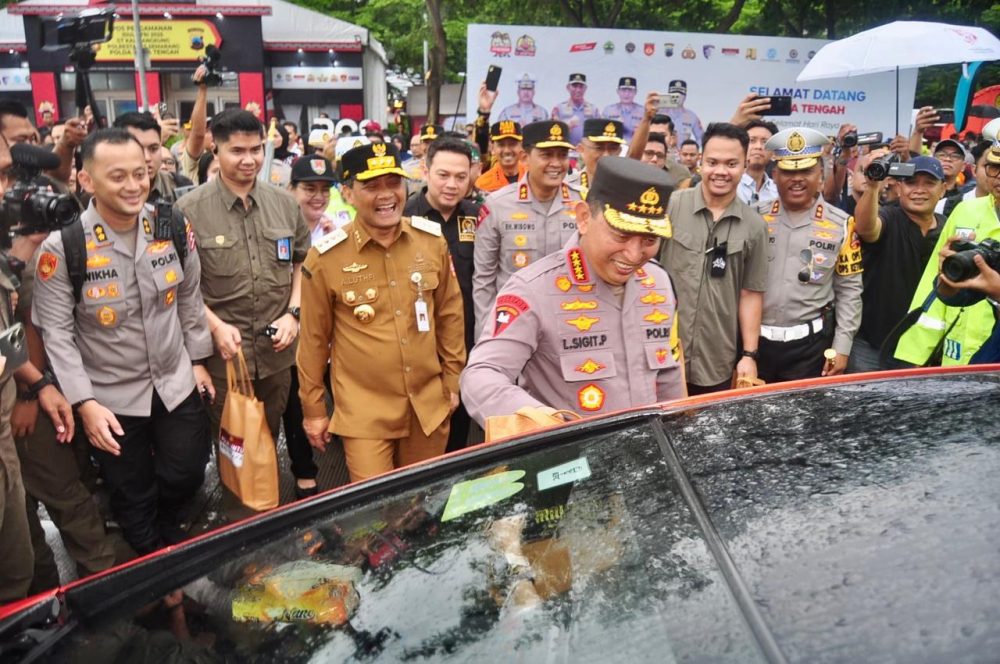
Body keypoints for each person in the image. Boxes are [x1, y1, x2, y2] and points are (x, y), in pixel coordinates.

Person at [32, 128, 215, 556]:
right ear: (87, 181)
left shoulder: (170, 225)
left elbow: (189, 296)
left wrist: (199, 360)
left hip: (174, 381)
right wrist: (85, 402)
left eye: (140, 173)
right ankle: (154, 568)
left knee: (187, 471)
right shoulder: (64, 248)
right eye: (118, 176)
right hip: (109, 397)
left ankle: (167, 532)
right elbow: (56, 333)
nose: (134, 186)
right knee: (131, 491)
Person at [462, 156, 684, 422]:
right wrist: (542, 422)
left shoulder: (658, 283)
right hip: (572, 458)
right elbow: (481, 375)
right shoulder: (533, 290)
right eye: (621, 235)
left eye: (650, 239)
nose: (635, 254)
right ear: (583, 218)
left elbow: (670, 378)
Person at [296, 142, 466, 483]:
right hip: (365, 413)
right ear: (347, 192)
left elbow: (450, 315)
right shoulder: (326, 258)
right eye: (371, 186)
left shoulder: (430, 242)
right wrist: (314, 410)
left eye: (393, 182)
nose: (386, 194)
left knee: (422, 502)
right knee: (373, 516)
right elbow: (313, 341)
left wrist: (452, 380)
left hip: (428, 406)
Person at [175, 110, 310, 479]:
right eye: (237, 150)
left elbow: (301, 263)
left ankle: (266, 511)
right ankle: (242, 523)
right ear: (214, 151)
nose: (249, 160)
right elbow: (177, 287)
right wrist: (215, 326)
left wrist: (293, 314)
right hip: (224, 361)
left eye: (256, 149)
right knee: (235, 451)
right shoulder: (187, 210)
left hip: (276, 356)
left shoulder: (284, 203)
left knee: (268, 440)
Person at [658, 122, 768, 394]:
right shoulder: (671, 206)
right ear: (700, 163)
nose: (720, 172)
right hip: (661, 352)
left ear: (744, 166)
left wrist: (749, 355)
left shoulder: (754, 225)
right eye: (712, 162)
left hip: (717, 357)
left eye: (731, 164)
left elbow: (751, 292)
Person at [754, 128, 863, 382]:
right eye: (789, 172)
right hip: (754, 343)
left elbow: (849, 290)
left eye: (805, 171)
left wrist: (842, 347)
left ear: (821, 176)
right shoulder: (754, 217)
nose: (797, 179)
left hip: (810, 349)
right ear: (775, 175)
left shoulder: (842, 225)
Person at [893, 139, 1000, 367]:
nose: (999, 176)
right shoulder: (966, 210)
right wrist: (912, 356)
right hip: (955, 362)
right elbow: (933, 284)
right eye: (995, 167)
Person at [403, 137, 480, 451]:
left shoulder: (479, 216)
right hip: (418, 343)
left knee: (458, 429)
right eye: (443, 175)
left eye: (461, 177)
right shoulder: (403, 215)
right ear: (425, 170)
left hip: (465, 341)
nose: (452, 184)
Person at [473, 120, 583, 337]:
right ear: (525, 157)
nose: (556, 163)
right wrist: (488, 335)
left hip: (569, 325)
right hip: (515, 325)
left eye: (562, 155)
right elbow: (484, 279)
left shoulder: (582, 202)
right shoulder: (497, 205)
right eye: (546, 155)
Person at [847, 153, 947, 372]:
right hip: (872, 345)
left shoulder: (948, 228)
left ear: (943, 189)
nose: (919, 190)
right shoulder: (889, 217)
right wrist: (873, 187)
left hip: (922, 349)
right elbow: (866, 228)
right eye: (911, 182)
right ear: (899, 187)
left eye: (929, 183)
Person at [627, 94, 692, 187]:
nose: (657, 139)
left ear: (672, 138)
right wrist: (647, 118)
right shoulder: (631, 164)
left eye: (662, 135)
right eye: (652, 134)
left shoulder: (680, 172)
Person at [114, 112, 179, 203]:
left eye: (153, 149)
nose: (147, 158)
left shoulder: (178, 185)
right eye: (137, 149)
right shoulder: (106, 194)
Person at [567, 119, 625, 194]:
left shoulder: (626, 190)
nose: (606, 155)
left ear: (619, 151)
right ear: (581, 149)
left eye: (613, 148)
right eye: (599, 148)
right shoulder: (566, 187)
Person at [475, 120, 526, 193]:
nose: (507, 151)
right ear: (492, 148)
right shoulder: (482, 184)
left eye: (512, 144)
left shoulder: (534, 177)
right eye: (501, 145)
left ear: (521, 146)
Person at [736, 119, 779, 206]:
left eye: (764, 142)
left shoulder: (779, 191)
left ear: (774, 153)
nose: (758, 147)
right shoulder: (729, 185)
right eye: (752, 140)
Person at [550, 73, 599, 146]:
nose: (578, 90)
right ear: (568, 87)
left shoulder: (593, 109)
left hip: (587, 151)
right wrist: (567, 126)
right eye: (574, 86)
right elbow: (551, 134)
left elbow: (598, 133)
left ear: (585, 88)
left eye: (581, 86)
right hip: (565, 150)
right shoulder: (558, 109)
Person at [932, 138, 969, 216]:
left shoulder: (965, 197)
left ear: (963, 166)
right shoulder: (922, 190)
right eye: (942, 155)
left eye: (955, 156)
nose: (947, 159)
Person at [663, 80, 704, 146]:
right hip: (661, 154)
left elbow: (701, 137)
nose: (677, 97)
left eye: (680, 94)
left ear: (685, 96)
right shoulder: (659, 113)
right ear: (669, 95)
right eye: (674, 94)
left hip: (682, 155)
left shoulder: (692, 116)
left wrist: (692, 150)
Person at [602, 77, 643, 142]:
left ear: (635, 92)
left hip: (636, 148)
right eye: (623, 90)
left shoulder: (643, 112)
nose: (626, 94)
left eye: (630, 90)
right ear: (618, 91)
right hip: (614, 148)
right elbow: (601, 133)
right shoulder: (608, 111)